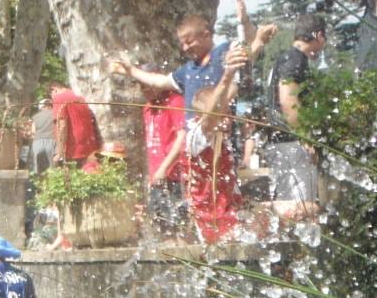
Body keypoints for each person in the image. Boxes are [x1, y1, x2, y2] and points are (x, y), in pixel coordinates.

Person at [109, 7, 275, 118]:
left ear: (206, 35)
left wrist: (253, 34)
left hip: (218, 136)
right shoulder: (188, 70)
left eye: (189, 42)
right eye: (182, 44)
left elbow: (244, 54)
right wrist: (130, 71)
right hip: (194, 142)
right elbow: (160, 81)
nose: (185, 48)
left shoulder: (222, 53)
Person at [264, 13, 327, 223]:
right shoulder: (296, 58)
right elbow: (288, 97)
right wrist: (305, 138)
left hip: (278, 142)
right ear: (319, 36)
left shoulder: (282, 57)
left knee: (287, 207)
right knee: (301, 210)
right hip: (292, 144)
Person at [185, 46, 250, 244]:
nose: (228, 118)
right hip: (209, 219)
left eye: (228, 112)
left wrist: (254, 45)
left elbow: (230, 92)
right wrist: (227, 73)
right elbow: (210, 117)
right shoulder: (198, 135)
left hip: (227, 212)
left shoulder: (220, 134)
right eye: (223, 113)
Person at [139, 63, 190, 243]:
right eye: (141, 86)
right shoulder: (147, 108)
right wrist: (152, 173)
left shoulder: (175, 102)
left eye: (147, 86)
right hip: (157, 176)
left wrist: (164, 168)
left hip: (174, 175)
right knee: (158, 222)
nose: (144, 90)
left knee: (178, 225)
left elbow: (182, 138)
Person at [48, 82, 102, 166]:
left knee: (70, 176)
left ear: (54, 89)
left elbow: (62, 125)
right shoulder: (80, 96)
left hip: (72, 147)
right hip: (89, 145)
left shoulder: (59, 98)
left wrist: (59, 152)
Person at [28, 99, 55, 174]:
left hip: (37, 143)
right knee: (52, 170)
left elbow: (33, 133)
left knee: (38, 170)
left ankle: (38, 183)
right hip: (51, 142)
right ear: (49, 105)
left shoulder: (35, 117)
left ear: (41, 107)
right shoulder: (55, 114)